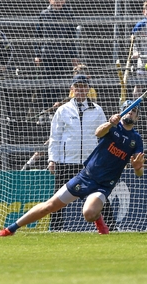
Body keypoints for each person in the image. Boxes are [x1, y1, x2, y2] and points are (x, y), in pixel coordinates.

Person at [0, 100, 143, 236]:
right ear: (121, 112)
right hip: (86, 176)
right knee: (49, 206)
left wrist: (137, 167)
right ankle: (9, 230)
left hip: (103, 185)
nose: (130, 112)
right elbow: (98, 132)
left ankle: (98, 219)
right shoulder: (112, 127)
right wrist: (110, 123)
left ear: (137, 117)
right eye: (127, 109)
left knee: (89, 214)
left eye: (134, 111)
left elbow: (139, 173)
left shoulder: (136, 140)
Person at [46, 74, 108, 231]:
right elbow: (55, 137)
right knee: (58, 199)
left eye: (83, 86)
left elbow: (105, 137)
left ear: (88, 89)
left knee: (98, 197)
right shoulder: (62, 110)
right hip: (66, 162)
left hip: (89, 163)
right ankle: (55, 229)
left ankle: (109, 228)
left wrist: (103, 159)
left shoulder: (97, 110)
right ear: (72, 89)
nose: (80, 89)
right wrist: (52, 159)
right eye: (77, 86)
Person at [35, 0, 79, 112]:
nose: (58, 2)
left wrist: (73, 55)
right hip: (47, 54)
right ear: (50, 0)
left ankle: (56, 111)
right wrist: (37, 54)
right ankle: (45, 110)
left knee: (59, 84)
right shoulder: (44, 14)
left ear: (64, 1)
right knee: (46, 84)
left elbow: (71, 37)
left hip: (61, 55)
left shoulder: (68, 15)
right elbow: (38, 35)